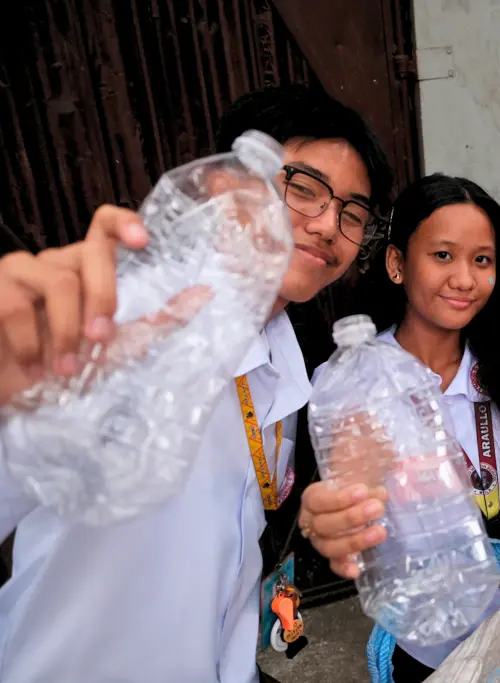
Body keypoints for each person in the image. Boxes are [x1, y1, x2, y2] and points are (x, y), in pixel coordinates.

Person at [0, 85, 393, 683]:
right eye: (304, 189)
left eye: (353, 213)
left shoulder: (294, 365)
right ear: (226, 186)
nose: (327, 226)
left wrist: (313, 525)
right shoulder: (115, 322)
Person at [301, 174, 500, 682]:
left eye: (482, 260)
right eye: (443, 256)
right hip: (441, 650)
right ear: (396, 264)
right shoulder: (355, 380)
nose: (465, 279)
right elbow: (354, 499)